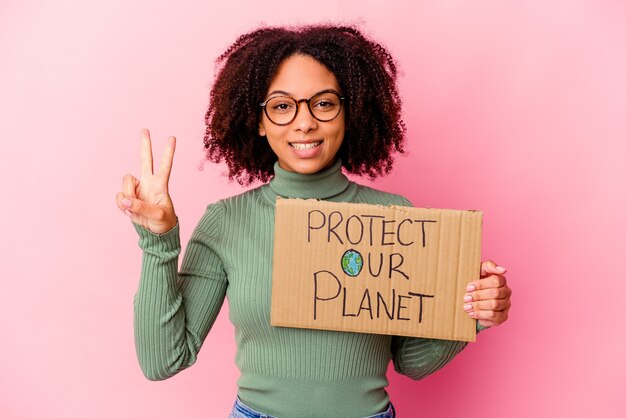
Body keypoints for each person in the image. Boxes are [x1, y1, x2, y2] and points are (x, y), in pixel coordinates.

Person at [115, 25, 512, 418]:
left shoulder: (397, 219)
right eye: (282, 105)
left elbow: (412, 361)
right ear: (259, 121)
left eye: (323, 103)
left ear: (348, 110)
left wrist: (470, 313)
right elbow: (162, 361)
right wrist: (158, 242)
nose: (304, 123)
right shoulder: (226, 222)